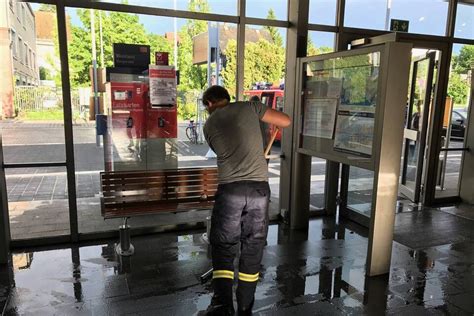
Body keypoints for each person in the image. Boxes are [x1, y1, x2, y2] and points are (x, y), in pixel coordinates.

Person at [201, 86, 291, 315]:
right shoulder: (250, 107)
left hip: (231, 190)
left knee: (223, 246)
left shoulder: (209, 125)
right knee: (253, 246)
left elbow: (221, 149)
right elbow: (285, 121)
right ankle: (245, 305)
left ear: (210, 103)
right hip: (259, 190)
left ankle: (222, 304)